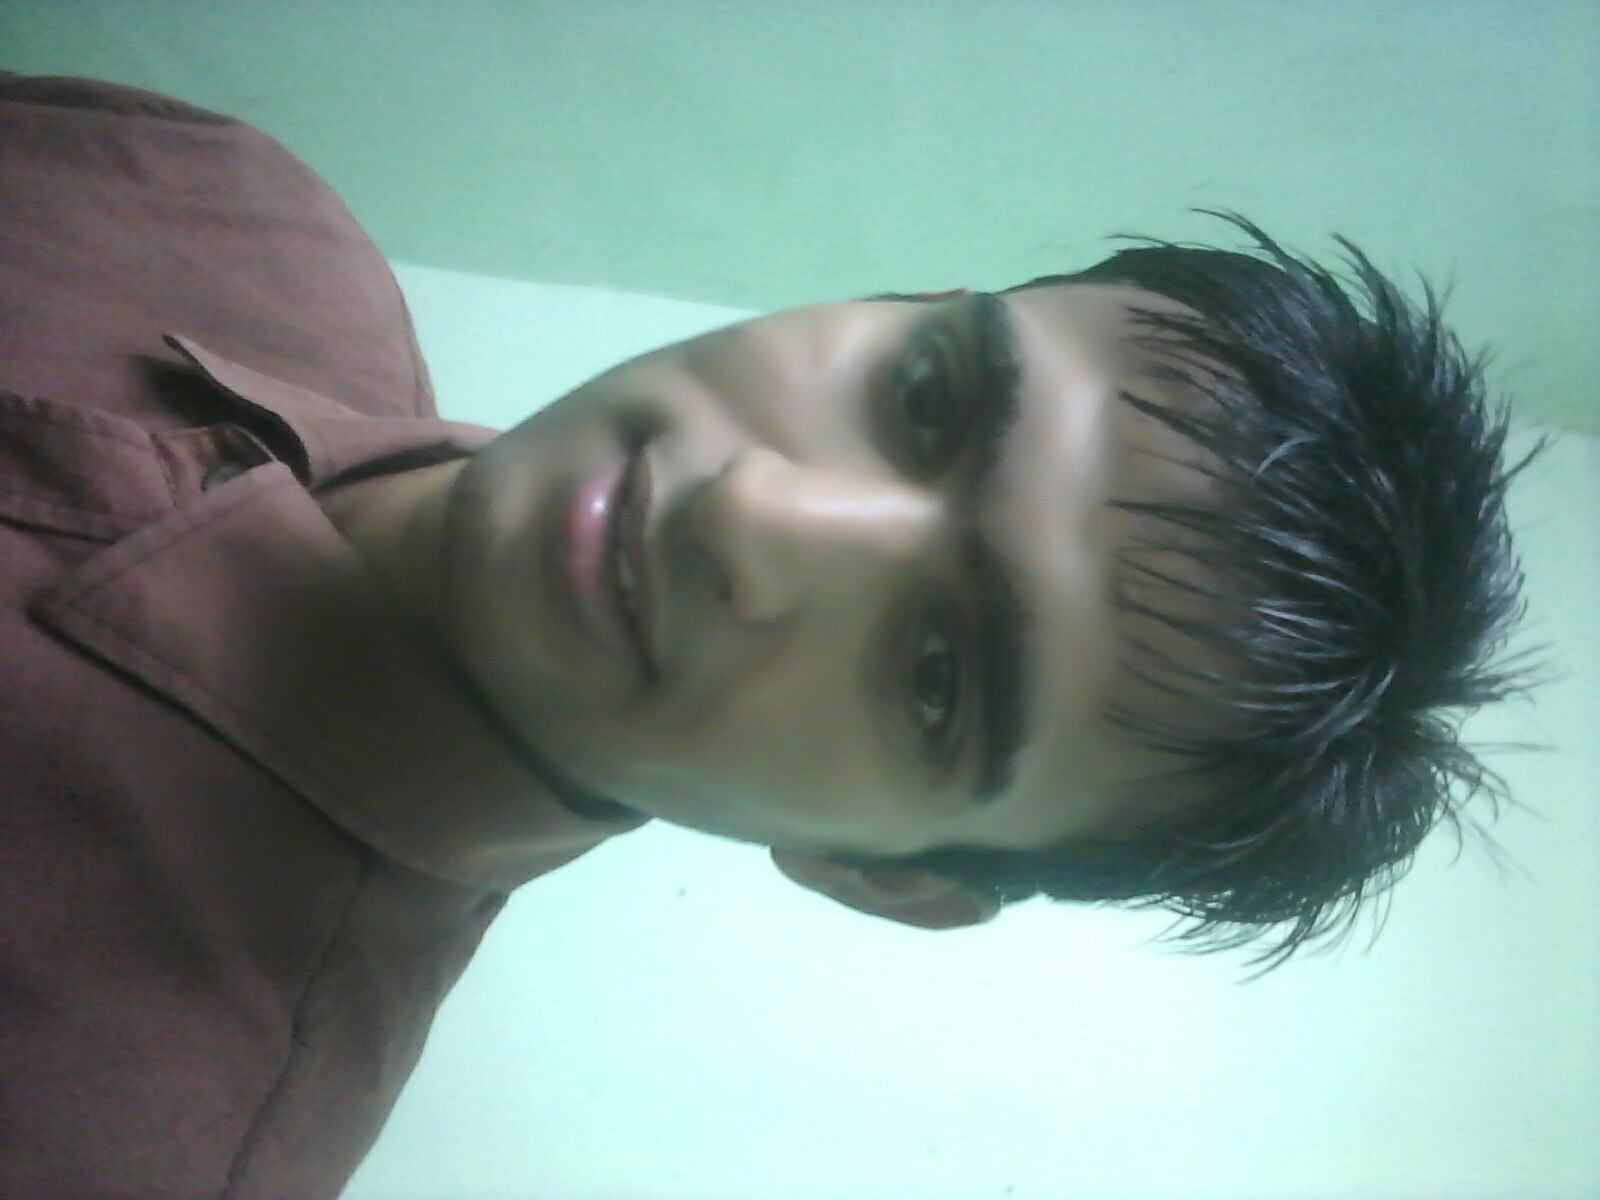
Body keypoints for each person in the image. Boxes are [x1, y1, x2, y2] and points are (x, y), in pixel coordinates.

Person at [0, 72, 1530, 1199]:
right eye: (925, 396)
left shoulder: (126, 1140)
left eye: (938, 675)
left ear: (888, 873)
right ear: (904, 296)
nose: (753, 516)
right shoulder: (223, 199)